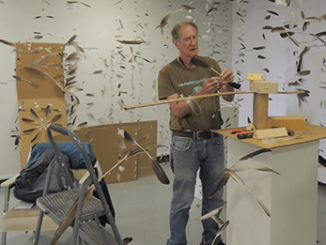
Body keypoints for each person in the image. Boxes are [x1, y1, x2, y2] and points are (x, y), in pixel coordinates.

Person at [158, 20, 235, 245]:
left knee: (215, 197)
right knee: (182, 200)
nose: (193, 43)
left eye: (195, 37)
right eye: (187, 39)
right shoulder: (167, 73)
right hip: (185, 143)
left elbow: (228, 97)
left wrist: (228, 83)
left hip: (214, 140)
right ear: (176, 43)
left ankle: (212, 240)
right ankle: (177, 242)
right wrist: (201, 92)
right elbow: (178, 109)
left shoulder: (210, 63)